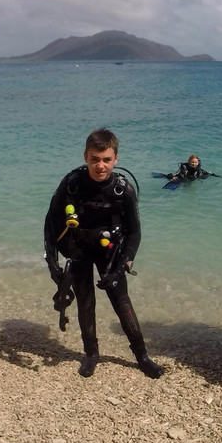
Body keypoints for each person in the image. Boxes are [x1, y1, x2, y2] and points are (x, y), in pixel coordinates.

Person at [44, 128, 164, 379]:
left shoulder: (124, 190)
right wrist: (53, 265)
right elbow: (50, 223)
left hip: (110, 253)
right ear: (85, 156)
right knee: (86, 302)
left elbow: (134, 234)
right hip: (78, 250)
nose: (101, 166)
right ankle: (91, 354)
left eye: (107, 159)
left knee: (122, 303)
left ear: (116, 159)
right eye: (95, 159)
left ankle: (142, 356)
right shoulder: (71, 185)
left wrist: (121, 267)